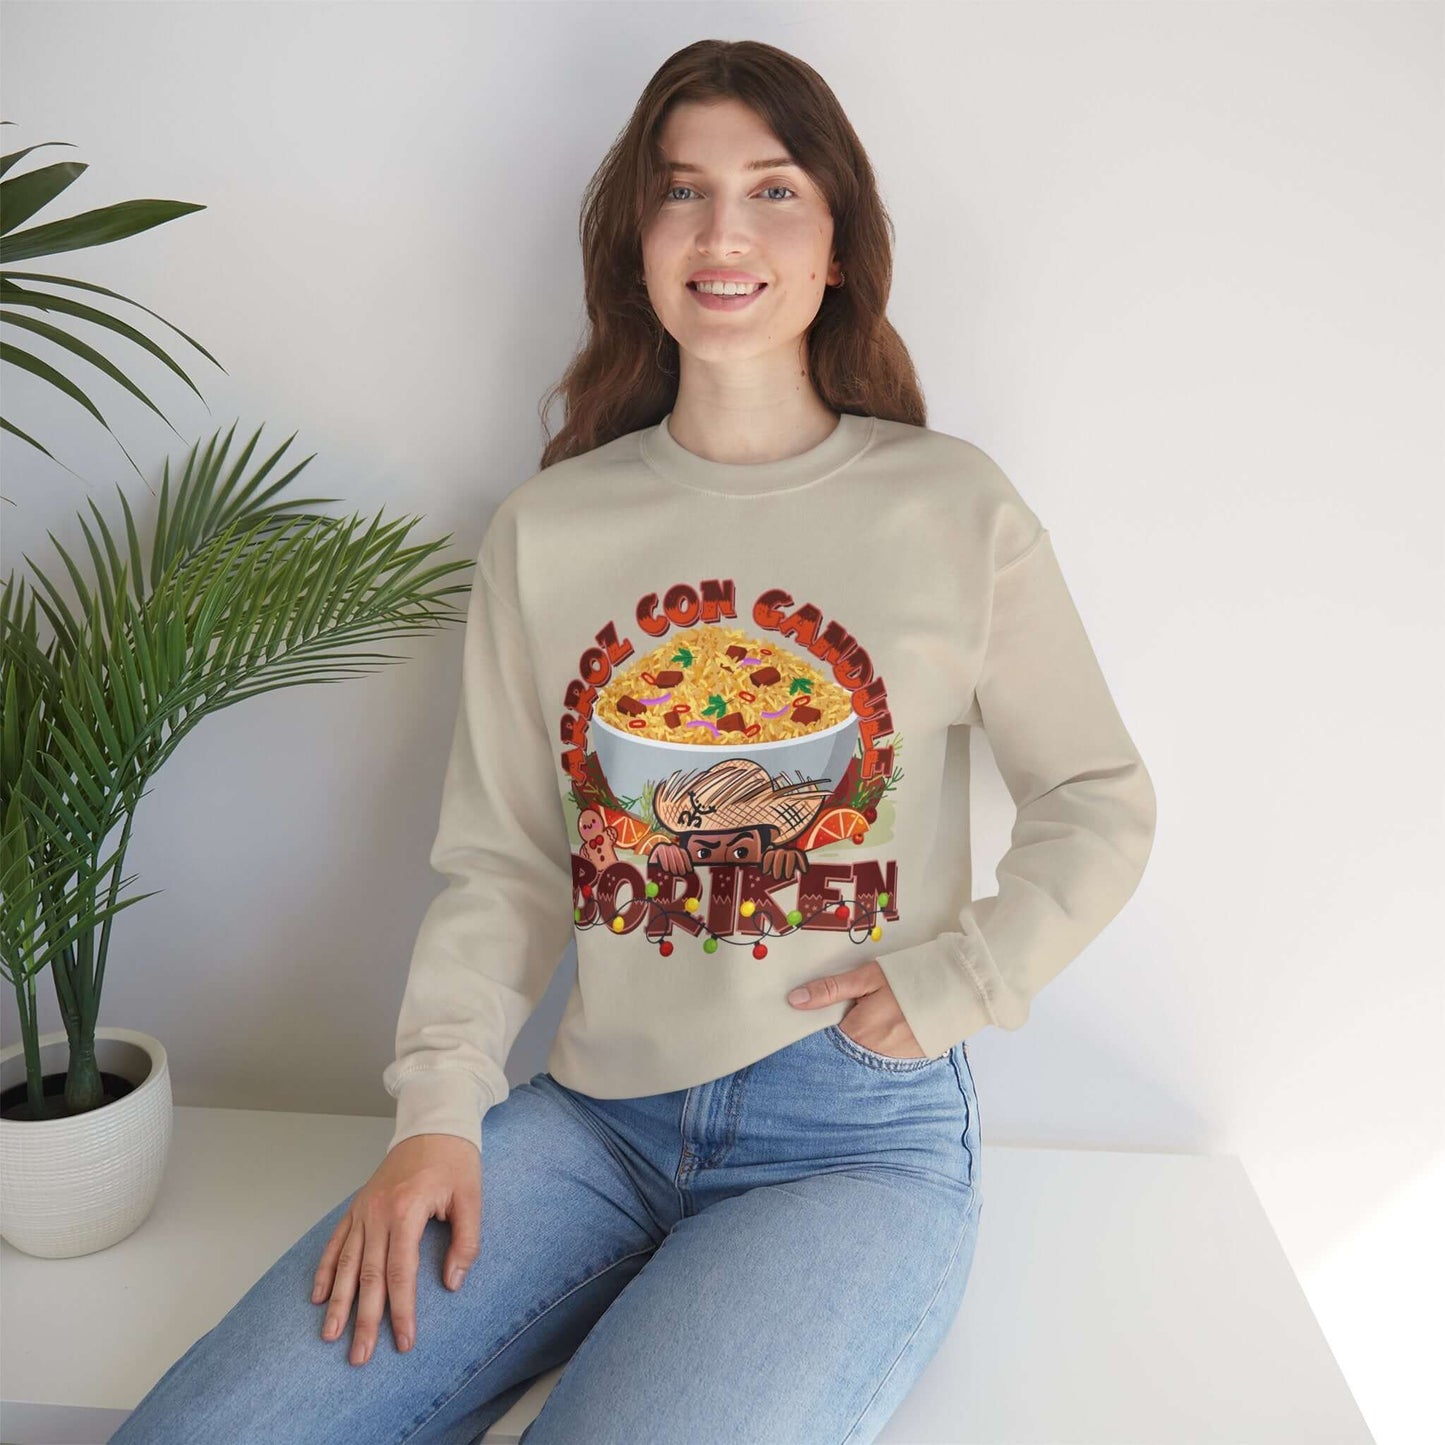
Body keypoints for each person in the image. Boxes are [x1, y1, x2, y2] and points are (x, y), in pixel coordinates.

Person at [111, 37, 1156, 1445]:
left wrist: (967, 975)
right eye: (681, 191)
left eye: (772, 190)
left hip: (849, 1137)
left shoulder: (952, 508)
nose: (723, 231)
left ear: (837, 245)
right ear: (638, 242)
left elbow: (1097, 794)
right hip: (593, 1119)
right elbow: (504, 864)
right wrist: (438, 1113)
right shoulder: (551, 529)